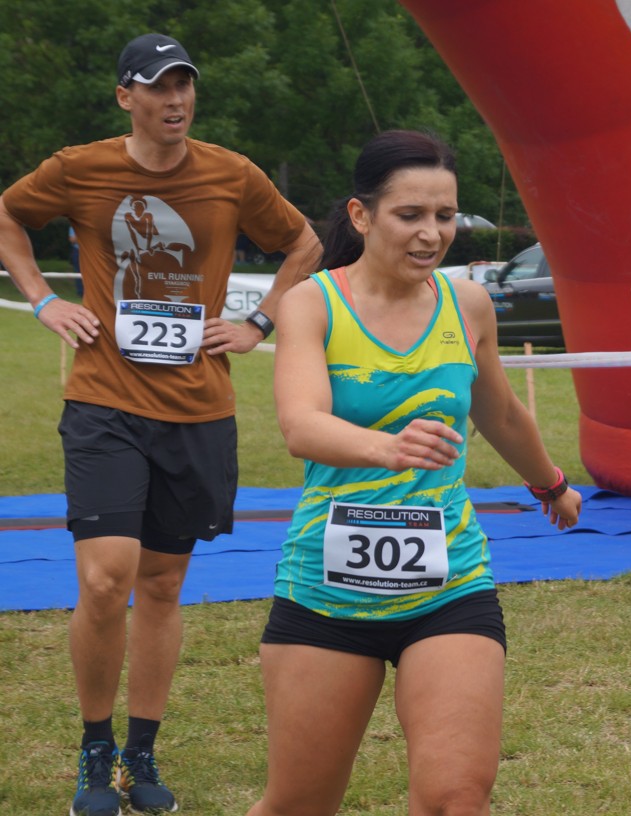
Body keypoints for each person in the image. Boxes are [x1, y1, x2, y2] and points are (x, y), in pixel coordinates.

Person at [0, 33, 320, 816]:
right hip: (104, 402)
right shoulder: (79, 168)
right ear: (126, 97)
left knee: (164, 583)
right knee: (105, 577)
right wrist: (44, 300)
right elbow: (7, 215)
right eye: (158, 86)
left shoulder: (231, 173)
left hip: (197, 409)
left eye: (184, 85)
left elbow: (304, 243)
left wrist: (258, 321)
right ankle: (94, 750)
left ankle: (140, 753)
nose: (175, 100)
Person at [244, 130, 581, 816]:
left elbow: (501, 412)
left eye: (445, 215)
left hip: (449, 586)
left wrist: (551, 483)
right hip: (327, 592)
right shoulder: (312, 303)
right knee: (298, 805)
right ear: (362, 215)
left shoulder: (468, 305)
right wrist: (386, 448)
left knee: (457, 798)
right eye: (410, 215)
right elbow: (301, 424)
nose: (432, 234)